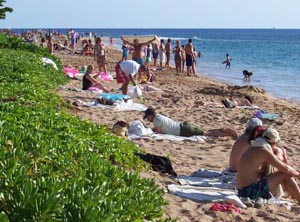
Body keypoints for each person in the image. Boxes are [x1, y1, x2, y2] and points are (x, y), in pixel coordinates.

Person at [237, 128, 300, 202]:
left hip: (243, 191)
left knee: (279, 173)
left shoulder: (254, 147)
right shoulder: (263, 151)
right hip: (250, 192)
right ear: (273, 143)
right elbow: (286, 169)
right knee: (285, 174)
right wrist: (298, 175)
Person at [143, 107, 238, 139]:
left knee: (208, 134)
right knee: (206, 132)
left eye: (147, 117)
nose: (148, 119)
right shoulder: (160, 116)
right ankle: (223, 130)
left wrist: (149, 130)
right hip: (184, 125)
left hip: (184, 130)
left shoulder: (156, 120)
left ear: (150, 115)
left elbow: (158, 132)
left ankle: (226, 133)